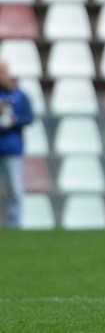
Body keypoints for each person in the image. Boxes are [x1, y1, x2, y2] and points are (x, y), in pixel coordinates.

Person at [0, 59, 34, 229]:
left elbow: (29, 117)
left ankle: (14, 225)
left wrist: (15, 120)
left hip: (12, 148)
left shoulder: (19, 95)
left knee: (14, 188)